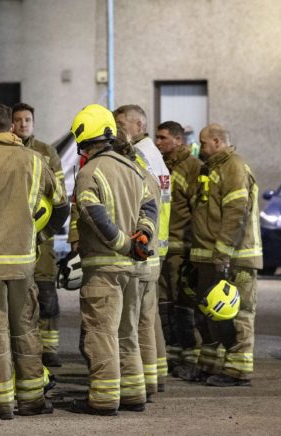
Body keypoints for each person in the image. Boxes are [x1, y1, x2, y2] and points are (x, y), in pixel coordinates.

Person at [0, 102, 69, 419]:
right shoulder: (36, 160)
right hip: (23, 261)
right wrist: (39, 237)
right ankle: (32, 398)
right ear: (11, 126)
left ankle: (1, 402)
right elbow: (60, 207)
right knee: (26, 330)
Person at [67, 104, 157, 416]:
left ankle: (104, 399)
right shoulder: (132, 166)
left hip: (105, 267)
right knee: (127, 332)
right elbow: (150, 207)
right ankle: (134, 394)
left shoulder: (89, 171)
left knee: (101, 333)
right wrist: (142, 239)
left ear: (83, 137)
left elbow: (93, 214)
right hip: (134, 267)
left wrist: (122, 244)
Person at [189, 124, 262, 387]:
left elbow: (236, 212)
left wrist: (222, 252)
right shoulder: (215, 168)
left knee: (238, 314)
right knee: (213, 314)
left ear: (217, 142)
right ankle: (210, 365)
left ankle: (237, 370)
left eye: (203, 143)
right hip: (214, 256)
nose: (200, 148)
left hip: (235, 257)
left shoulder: (234, 167)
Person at [114, 105, 171, 398]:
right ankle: (155, 376)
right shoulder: (154, 155)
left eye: (121, 123)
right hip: (154, 247)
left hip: (142, 246)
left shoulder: (140, 156)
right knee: (150, 319)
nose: (117, 128)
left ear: (139, 124)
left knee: (139, 321)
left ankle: (145, 382)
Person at [12, 102, 66, 368]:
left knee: (47, 292)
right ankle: (23, 344)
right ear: (11, 124)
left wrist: (48, 229)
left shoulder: (46, 152)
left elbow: (59, 191)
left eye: (28, 120)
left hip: (42, 236)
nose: (23, 124)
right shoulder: (6, 152)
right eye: (19, 120)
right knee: (19, 293)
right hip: (13, 234)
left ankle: (50, 348)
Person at [154, 121, 203, 377]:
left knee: (185, 305)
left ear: (178, 140)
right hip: (164, 249)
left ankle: (191, 355)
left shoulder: (192, 167)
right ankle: (173, 354)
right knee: (166, 303)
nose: (158, 142)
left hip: (182, 249)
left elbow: (199, 211)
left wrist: (196, 248)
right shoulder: (162, 166)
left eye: (163, 138)